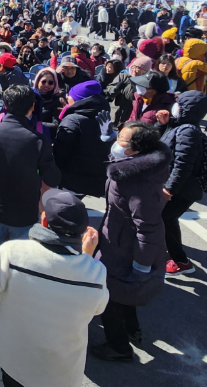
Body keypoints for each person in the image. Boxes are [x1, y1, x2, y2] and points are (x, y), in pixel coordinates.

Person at [0, 190, 108, 387]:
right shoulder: (95, 272)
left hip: (15, 362)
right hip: (62, 372)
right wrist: (87, 257)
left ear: (44, 221)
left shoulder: (15, 253)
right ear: (83, 231)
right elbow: (98, 307)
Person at [0, 84, 62, 319]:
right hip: (25, 210)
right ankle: (15, 299)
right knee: (20, 257)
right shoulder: (38, 140)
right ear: (32, 108)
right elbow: (53, 177)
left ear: (5, 106)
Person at [91, 122, 169, 362]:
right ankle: (132, 330)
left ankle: (119, 347)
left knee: (111, 298)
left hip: (124, 248)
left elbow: (147, 228)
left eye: (121, 139)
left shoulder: (137, 183)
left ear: (135, 151)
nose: (116, 142)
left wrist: (142, 265)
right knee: (124, 292)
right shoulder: (131, 167)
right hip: (116, 239)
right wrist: (108, 139)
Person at [159, 90, 207, 276]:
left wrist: (169, 188)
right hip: (178, 187)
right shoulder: (181, 126)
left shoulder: (188, 131)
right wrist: (164, 125)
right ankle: (166, 254)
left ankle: (180, 260)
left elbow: (183, 164)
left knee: (166, 219)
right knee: (163, 219)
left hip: (182, 190)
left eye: (179, 103)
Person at [53, 80, 112, 198]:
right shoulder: (103, 116)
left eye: (70, 95)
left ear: (78, 100)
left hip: (72, 180)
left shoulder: (73, 120)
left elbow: (60, 153)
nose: (67, 96)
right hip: (96, 178)